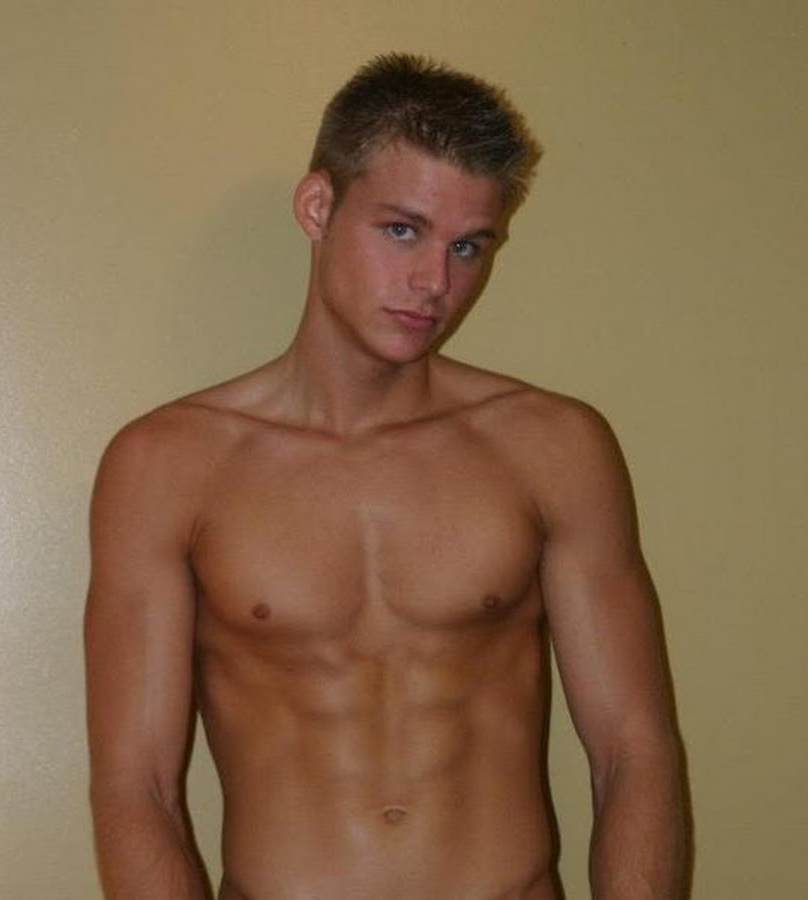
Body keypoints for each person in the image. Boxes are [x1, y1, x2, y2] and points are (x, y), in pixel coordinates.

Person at [85, 53, 687, 900]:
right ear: (318, 206)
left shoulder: (553, 447)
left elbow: (634, 751)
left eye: (468, 246)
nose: (436, 283)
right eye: (402, 230)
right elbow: (136, 787)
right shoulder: (166, 465)